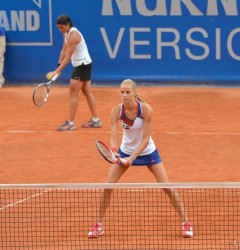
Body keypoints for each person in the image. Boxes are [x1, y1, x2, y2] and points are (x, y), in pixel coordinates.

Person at [88, 79, 193, 238]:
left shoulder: (146, 110)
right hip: (125, 152)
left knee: (166, 187)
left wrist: (132, 157)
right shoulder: (116, 111)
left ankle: (186, 222)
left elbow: (145, 138)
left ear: (135, 93)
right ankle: (98, 225)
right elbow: (114, 136)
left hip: (147, 152)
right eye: (122, 92)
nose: (124, 95)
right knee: (107, 187)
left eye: (128, 92)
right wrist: (115, 152)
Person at [47, 14, 101, 131]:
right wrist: (58, 66)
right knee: (87, 92)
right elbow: (64, 50)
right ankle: (96, 120)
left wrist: (57, 71)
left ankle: (70, 123)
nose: (60, 30)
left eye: (61, 27)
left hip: (82, 65)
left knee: (73, 92)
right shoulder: (67, 33)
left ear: (68, 25)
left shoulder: (73, 35)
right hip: (84, 64)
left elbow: (67, 58)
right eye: (58, 28)